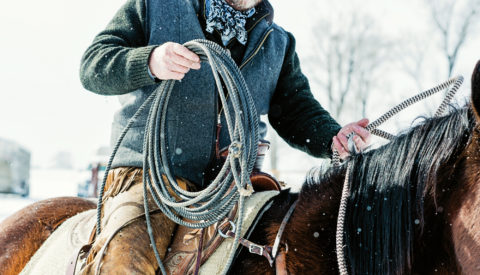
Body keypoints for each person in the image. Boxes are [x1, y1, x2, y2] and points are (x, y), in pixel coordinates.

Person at [79, 0, 371, 273]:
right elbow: (93, 65)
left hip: (235, 186)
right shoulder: (155, 6)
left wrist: (333, 137)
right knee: (125, 258)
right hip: (150, 179)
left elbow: (297, 111)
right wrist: (151, 60)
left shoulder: (277, 43)